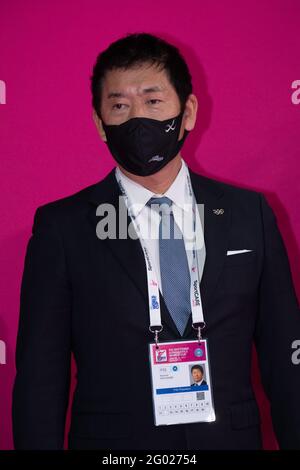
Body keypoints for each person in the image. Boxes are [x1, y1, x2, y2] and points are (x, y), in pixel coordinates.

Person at [12, 32, 300, 450]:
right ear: (99, 123)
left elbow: (286, 357)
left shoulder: (248, 213)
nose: (136, 120)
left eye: (152, 101)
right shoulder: (63, 228)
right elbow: (40, 378)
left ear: (188, 111)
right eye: (119, 106)